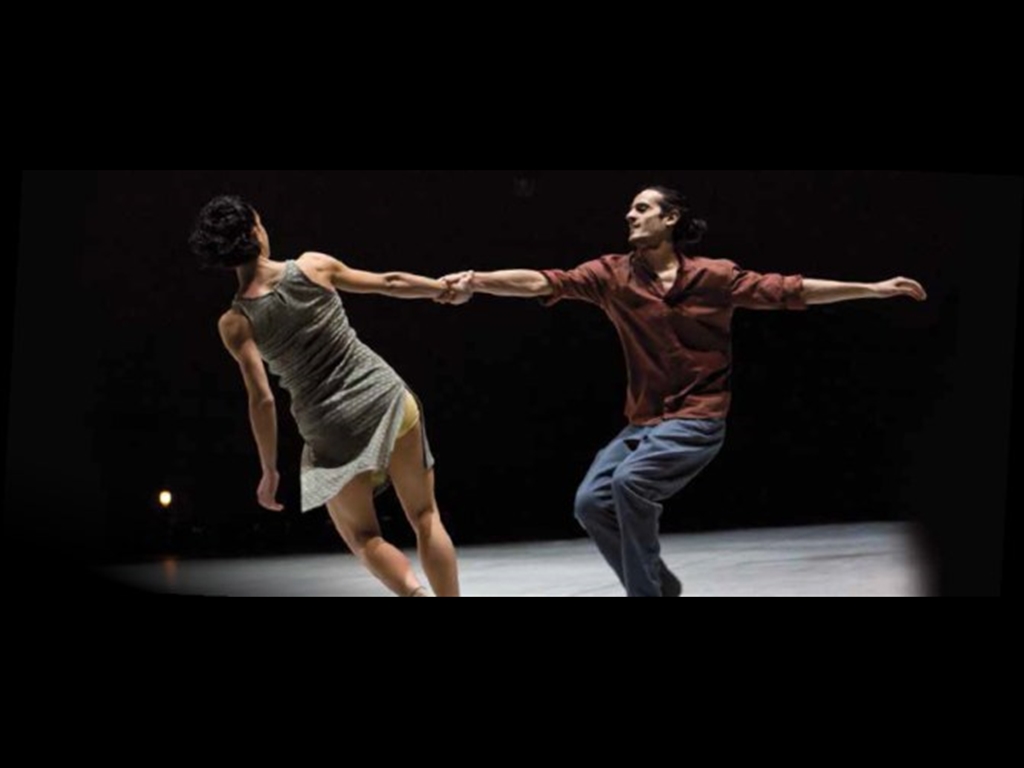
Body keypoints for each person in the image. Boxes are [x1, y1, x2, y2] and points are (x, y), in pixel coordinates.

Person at [439, 186, 927, 597]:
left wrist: (873, 288)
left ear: (670, 218)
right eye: (629, 210)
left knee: (630, 484)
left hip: (697, 418)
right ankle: (662, 586)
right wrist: (477, 281)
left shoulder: (713, 277)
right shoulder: (611, 275)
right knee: (590, 502)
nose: (630, 215)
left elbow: (790, 290)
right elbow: (542, 282)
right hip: (642, 423)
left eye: (642, 208)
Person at [189, 195, 469, 597]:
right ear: (255, 232)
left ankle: (416, 594)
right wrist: (442, 289)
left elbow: (262, 399)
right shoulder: (313, 265)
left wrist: (269, 470)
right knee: (426, 515)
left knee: (362, 537)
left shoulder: (235, 322)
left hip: (332, 429)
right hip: (387, 397)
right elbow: (389, 282)